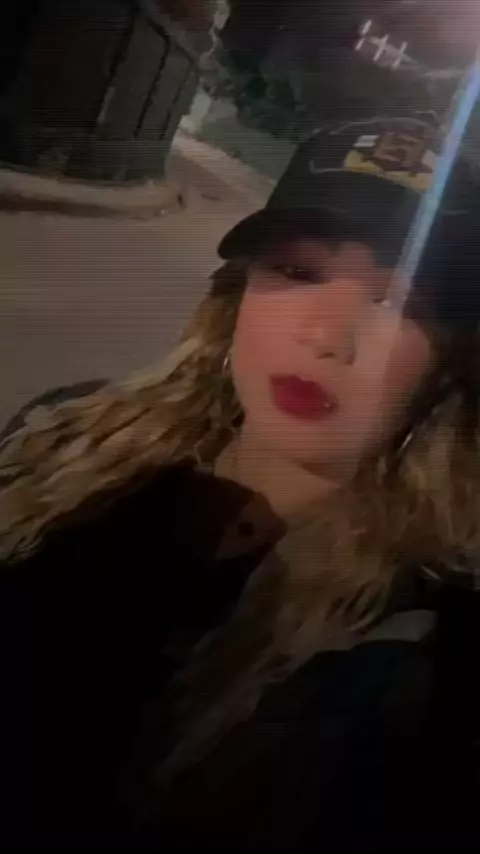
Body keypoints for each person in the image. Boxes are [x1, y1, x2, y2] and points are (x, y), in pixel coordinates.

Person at [1, 115, 479, 853]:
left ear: (447, 369)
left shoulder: (413, 651)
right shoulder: (60, 445)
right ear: (237, 298)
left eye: (399, 304)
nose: (327, 336)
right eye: (297, 271)